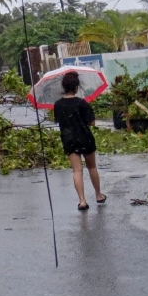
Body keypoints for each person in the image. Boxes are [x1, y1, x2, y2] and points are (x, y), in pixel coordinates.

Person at [54, 71, 105, 210]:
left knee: (77, 171)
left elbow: (59, 120)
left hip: (69, 140)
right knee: (92, 167)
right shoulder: (82, 103)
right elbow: (92, 123)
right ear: (76, 87)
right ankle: (98, 195)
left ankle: (82, 201)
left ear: (64, 87)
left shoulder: (58, 105)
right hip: (85, 138)